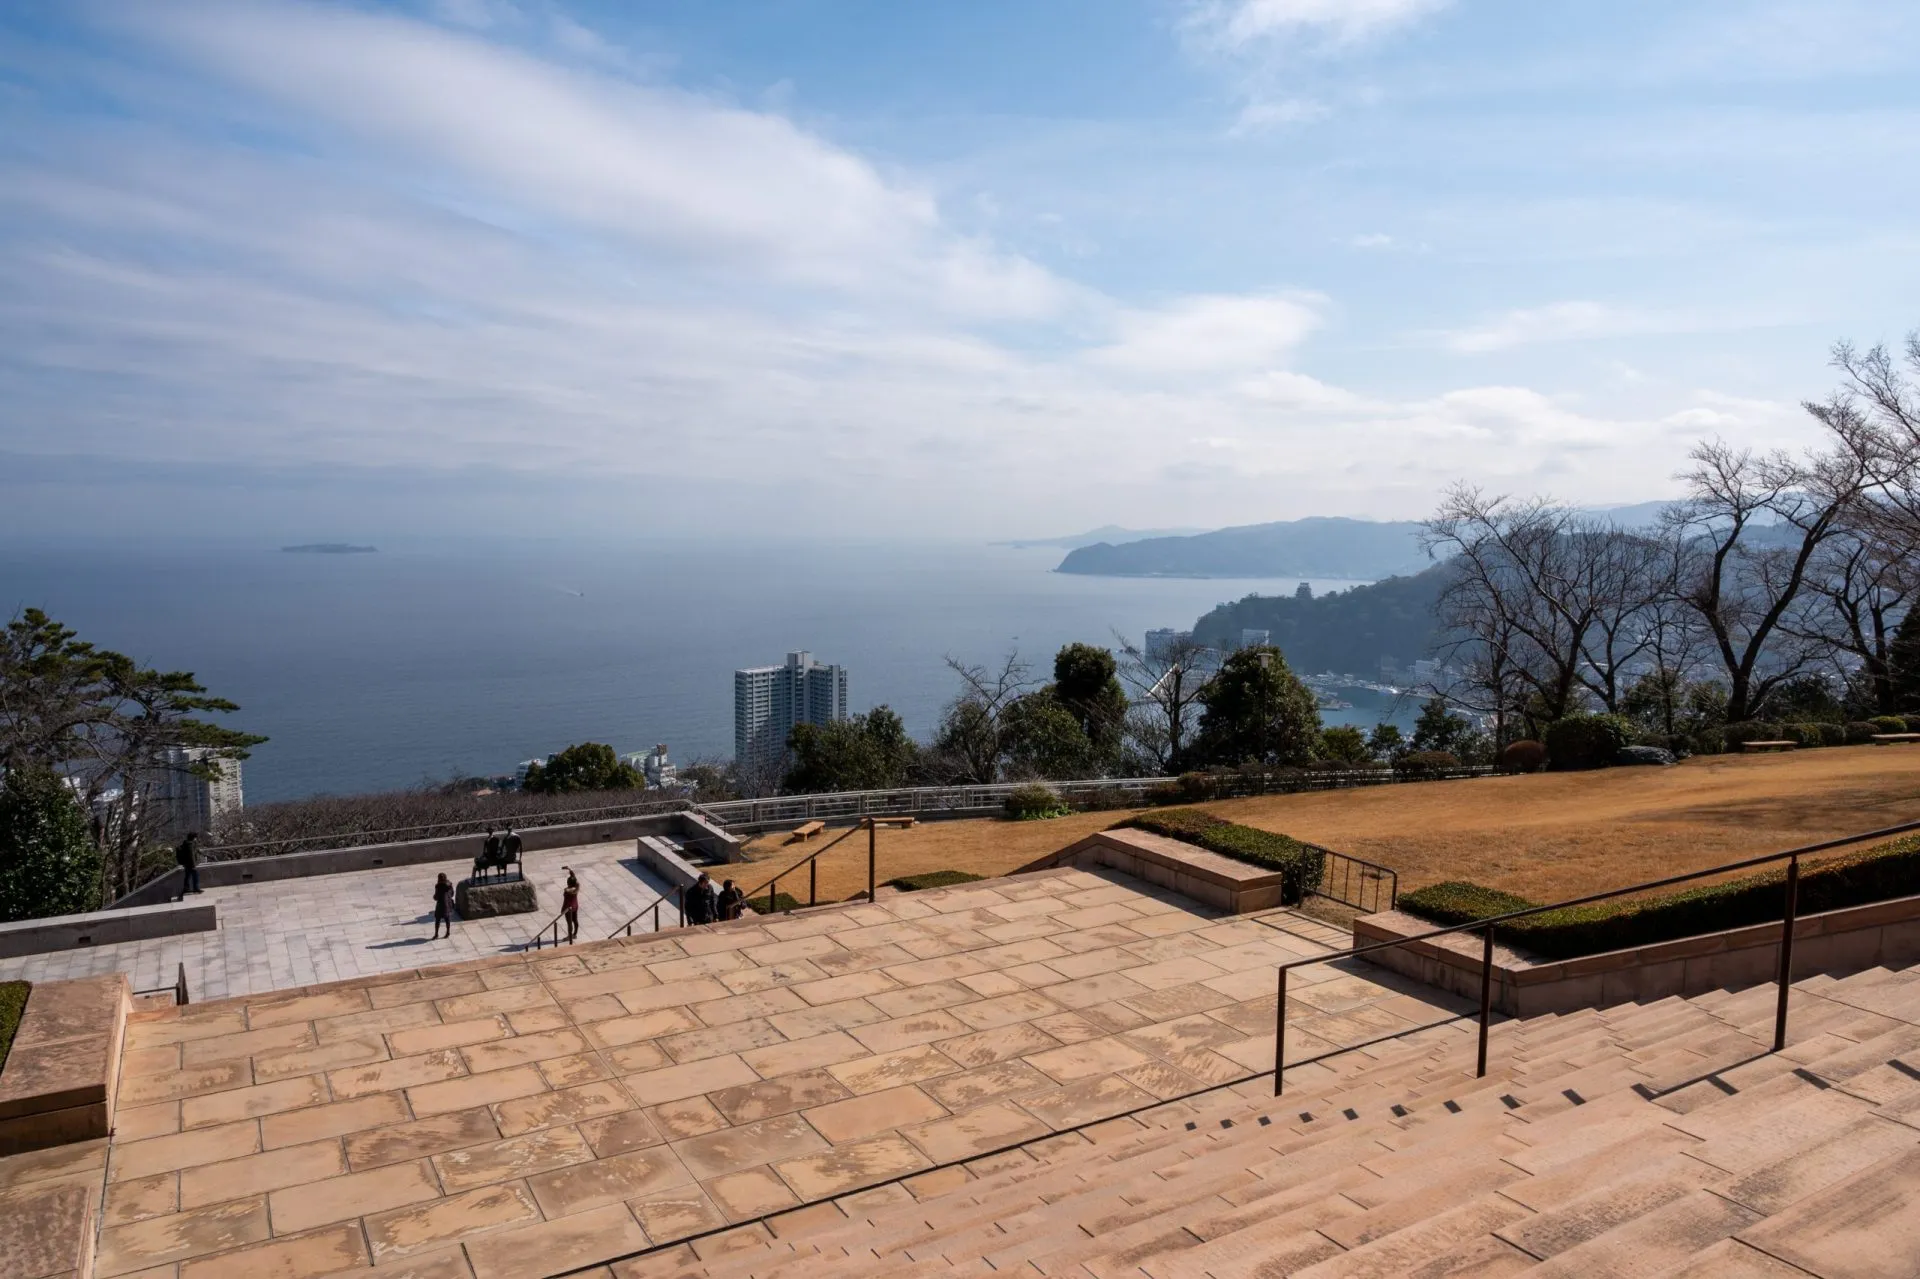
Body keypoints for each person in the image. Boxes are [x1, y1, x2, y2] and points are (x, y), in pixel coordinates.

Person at [175, 831, 201, 897]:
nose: (196, 839)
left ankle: (186, 888)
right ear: (193, 838)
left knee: (187, 876)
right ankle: (196, 888)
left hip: (186, 863)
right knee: (195, 875)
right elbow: (191, 855)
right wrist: (193, 865)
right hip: (190, 864)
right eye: (196, 837)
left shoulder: (186, 843)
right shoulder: (190, 844)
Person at [432, 873, 455, 939]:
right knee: (447, 919)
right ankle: (448, 932)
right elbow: (452, 893)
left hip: (441, 905)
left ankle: (436, 934)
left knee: (437, 920)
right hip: (448, 904)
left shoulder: (438, 886)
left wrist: (434, 896)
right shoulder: (449, 884)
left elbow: (436, 897)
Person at [562, 869, 580, 943]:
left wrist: (566, 889)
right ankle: (575, 934)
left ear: (568, 883)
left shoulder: (568, 890)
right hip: (575, 905)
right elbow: (575, 879)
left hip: (568, 908)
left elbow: (566, 890)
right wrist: (569, 869)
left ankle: (570, 936)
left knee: (569, 923)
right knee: (575, 920)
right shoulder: (576, 887)